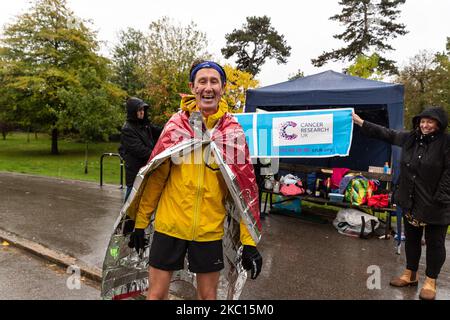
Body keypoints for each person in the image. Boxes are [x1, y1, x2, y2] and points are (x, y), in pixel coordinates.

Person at [130, 61, 263, 300]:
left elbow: (243, 191)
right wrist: (140, 223)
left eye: (214, 81)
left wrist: (249, 242)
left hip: (208, 231)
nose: (208, 87)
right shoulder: (176, 126)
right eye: (202, 81)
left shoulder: (232, 132)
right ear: (193, 87)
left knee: (207, 298)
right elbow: (156, 178)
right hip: (170, 226)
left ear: (222, 88)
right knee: (156, 295)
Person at [353, 106, 450, 300]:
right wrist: (360, 122)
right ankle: (410, 274)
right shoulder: (411, 138)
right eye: (422, 121)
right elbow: (387, 134)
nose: (425, 125)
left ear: (439, 124)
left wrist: (441, 197)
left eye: (430, 122)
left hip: (436, 203)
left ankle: (431, 280)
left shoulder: (446, 143)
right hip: (411, 199)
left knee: (435, 243)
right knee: (412, 239)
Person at [119, 97, 161, 202]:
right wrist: (157, 156)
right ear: (133, 112)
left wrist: (172, 125)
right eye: (139, 110)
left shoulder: (145, 125)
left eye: (143, 110)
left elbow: (160, 131)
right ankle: (125, 218)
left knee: (143, 203)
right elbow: (139, 150)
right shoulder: (128, 129)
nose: (142, 112)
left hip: (146, 169)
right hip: (135, 172)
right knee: (130, 203)